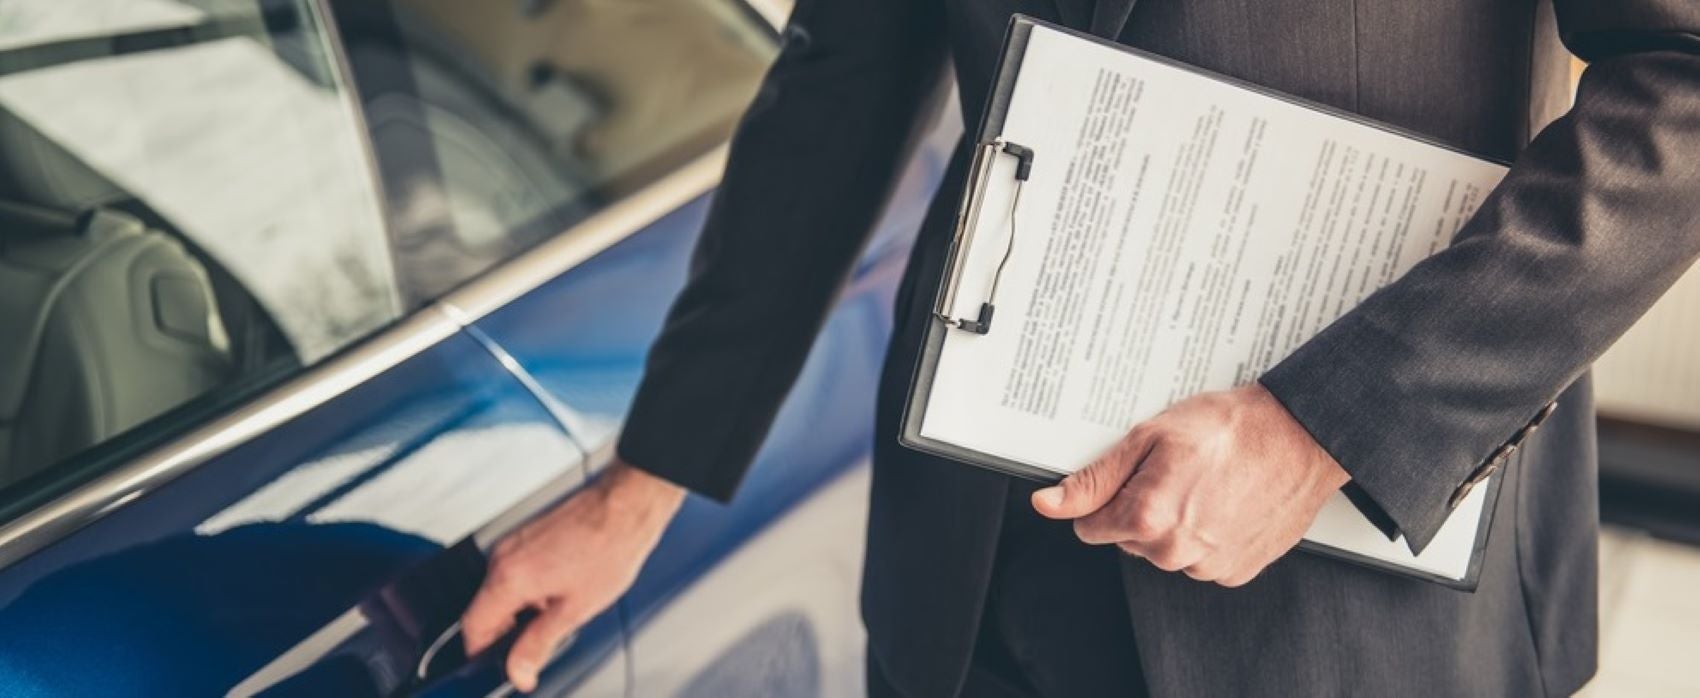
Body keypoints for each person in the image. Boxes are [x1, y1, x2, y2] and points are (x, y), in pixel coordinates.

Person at [460, 0, 1700, 695]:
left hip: (1351, 603)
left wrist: (1325, 421)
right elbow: (844, 74)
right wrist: (647, 479)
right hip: (977, 574)